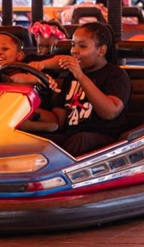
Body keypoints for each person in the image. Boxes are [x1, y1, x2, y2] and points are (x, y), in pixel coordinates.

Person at [46, 22, 131, 157]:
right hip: (72, 136)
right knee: (43, 141)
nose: (74, 50)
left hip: (106, 141)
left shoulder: (115, 75)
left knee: (81, 140)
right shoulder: (71, 76)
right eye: (73, 45)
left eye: (82, 46)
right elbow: (59, 120)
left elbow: (110, 111)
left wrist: (80, 76)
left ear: (101, 51)